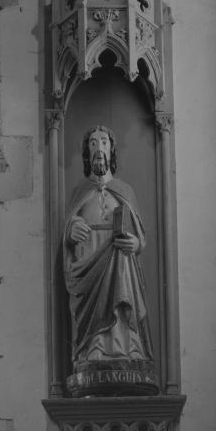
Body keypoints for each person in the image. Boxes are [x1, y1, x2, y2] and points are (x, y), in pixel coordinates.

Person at [63, 125, 155, 370]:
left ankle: (130, 349)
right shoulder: (79, 192)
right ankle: (94, 349)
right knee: (94, 311)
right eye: (93, 144)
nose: (99, 149)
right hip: (89, 261)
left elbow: (139, 234)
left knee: (122, 301)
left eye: (103, 143)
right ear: (87, 153)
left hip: (120, 264)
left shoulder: (124, 191)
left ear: (112, 150)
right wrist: (71, 230)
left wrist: (136, 244)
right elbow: (67, 234)